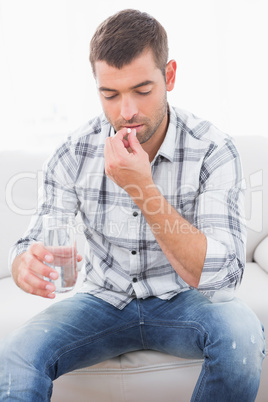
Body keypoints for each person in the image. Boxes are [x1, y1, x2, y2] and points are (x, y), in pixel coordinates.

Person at [0, 9, 265, 401]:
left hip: (184, 300)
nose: (126, 112)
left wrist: (142, 188)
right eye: (110, 94)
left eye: (142, 90)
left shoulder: (212, 150)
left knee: (243, 334)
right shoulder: (74, 151)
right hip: (102, 299)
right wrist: (24, 264)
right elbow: (36, 236)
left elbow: (223, 276)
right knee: (16, 356)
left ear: (169, 76)